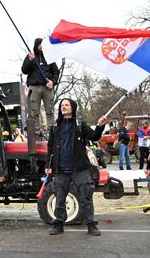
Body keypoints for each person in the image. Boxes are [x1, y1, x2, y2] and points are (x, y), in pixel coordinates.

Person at [45, 98, 106, 236]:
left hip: (80, 169)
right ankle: (58, 225)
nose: (63, 107)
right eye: (62, 105)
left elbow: (94, 136)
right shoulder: (55, 126)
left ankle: (91, 225)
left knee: (86, 198)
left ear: (72, 107)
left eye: (66, 105)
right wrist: (48, 165)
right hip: (60, 170)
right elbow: (50, 147)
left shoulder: (80, 125)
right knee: (59, 199)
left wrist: (100, 126)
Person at [21, 38, 60, 135]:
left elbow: (56, 72)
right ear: (36, 45)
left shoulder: (49, 57)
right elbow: (24, 70)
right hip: (34, 87)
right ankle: (37, 133)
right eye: (40, 44)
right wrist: (29, 60)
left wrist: (53, 82)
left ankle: (52, 132)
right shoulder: (31, 56)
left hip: (47, 88)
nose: (42, 46)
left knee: (50, 111)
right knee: (34, 112)